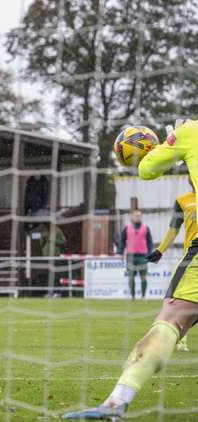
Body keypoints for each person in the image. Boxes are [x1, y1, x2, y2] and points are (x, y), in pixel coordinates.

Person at [62, 120, 198, 420]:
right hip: (172, 253)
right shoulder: (181, 201)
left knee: (171, 318)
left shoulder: (191, 130)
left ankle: (116, 403)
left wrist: (173, 140)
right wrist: (161, 250)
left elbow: (147, 169)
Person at [145, 180, 196, 353]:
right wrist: (160, 250)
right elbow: (173, 229)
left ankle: (169, 336)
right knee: (174, 297)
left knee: (173, 298)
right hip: (192, 259)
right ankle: (180, 340)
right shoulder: (182, 201)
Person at [118, 210, 154, 300]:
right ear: (132, 217)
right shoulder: (127, 228)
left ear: (141, 217)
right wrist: (121, 253)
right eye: (135, 215)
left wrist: (150, 254)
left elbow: (150, 242)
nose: (137, 217)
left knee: (143, 276)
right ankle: (133, 296)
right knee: (131, 277)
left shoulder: (146, 228)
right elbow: (122, 241)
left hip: (142, 256)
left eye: (139, 216)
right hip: (130, 255)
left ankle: (143, 296)